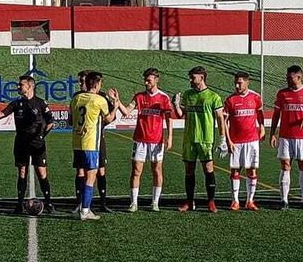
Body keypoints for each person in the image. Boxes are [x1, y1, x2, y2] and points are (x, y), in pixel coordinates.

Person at [0, 73, 55, 214]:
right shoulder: (16, 103)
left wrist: (42, 136)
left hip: (37, 144)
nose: (18, 86)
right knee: (22, 172)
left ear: (30, 86)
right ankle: (19, 204)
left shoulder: (41, 103)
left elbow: (50, 122)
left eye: (21, 84)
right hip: (21, 143)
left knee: (41, 173)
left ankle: (48, 203)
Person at [175, 66, 228, 212]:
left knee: (208, 169)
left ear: (202, 78)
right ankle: (189, 202)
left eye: (193, 78)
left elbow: (220, 119)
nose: (190, 80)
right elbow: (181, 114)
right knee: (189, 170)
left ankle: (211, 202)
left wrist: (223, 140)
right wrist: (176, 105)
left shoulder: (213, 96)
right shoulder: (188, 94)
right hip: (189, 139)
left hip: (206, 139)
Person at [126, 68, 176, 212]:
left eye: (149, 80)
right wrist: (117, 102)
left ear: (156, 80)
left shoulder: (164, 98)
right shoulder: (139, 96)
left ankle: (155, 202)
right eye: (145, 80)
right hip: (140, 140)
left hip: (156, 141)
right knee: (136, 171)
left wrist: (170, 137)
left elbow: (169, 119)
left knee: (157, 171)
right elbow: (126, 111)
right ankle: (134, 203)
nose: (146, 83)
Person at [270, 64, 303, 208]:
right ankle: (284, 200)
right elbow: (276, 115)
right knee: (285, 165)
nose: (287, 80)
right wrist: (272, 133)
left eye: (290, 78)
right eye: (287, 77)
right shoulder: (282, 93)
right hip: (285, 136)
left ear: (299, 77)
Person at [71, 71, 116, 221]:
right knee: (91, 177)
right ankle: (85, 210)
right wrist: (116, 105)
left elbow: (71, 120)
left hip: (77, 142)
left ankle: (82, 206)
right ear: (96, 84)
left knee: (81, 173)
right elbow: (109, 119)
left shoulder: (76, 98)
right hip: (91, 143)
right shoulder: (99, 99)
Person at [223, 71, 265, 210]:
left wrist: (262, 128)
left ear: (247, 82)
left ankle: (250, 201)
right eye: (236, 83)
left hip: (252, 141)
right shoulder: (230, 100)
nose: (237, 85)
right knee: (235, 171)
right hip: (236, 142)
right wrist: (228, 140)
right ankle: (235, 201)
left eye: (240, 83)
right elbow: (224, 122)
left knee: (252, 171)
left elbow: (259, 114)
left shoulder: (256, 97)